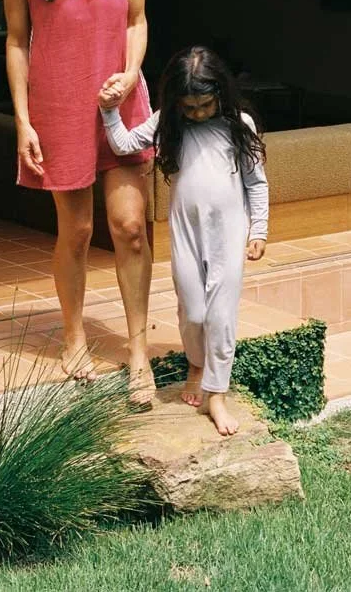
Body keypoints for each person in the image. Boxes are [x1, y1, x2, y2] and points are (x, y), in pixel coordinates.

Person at [1, 0, 156, 405]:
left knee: (131, 226)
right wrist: (23, 122)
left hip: (119, 105)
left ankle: (138, 349)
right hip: (60, 110)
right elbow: (17, 43)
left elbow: (137, 20)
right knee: (78, 232)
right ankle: (74, 340)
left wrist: (131, 71)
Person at [98, 46, 269, 435]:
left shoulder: (238, 123)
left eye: (205, 105)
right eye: (189, 106)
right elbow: (124, 145)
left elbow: (255, 182)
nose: (196, 114)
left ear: (220, 94)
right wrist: (110, 110)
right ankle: (196, 363)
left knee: (220, 317)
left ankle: (217, 395)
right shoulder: (168, 123)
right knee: (193, 312)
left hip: (228, 233)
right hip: (186, 232)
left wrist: (259, 228)